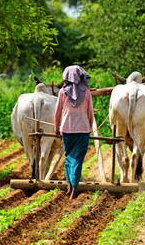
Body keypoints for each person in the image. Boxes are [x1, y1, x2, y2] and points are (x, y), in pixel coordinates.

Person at [54, 65, 94, 200]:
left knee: (69, 157)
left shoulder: (62, 92)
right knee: (77, 159)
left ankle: (69, 185)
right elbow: (90, 113)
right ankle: (74, 188)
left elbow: (57, 112)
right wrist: (89, 127)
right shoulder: (87, 92)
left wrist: (56, 128)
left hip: (66, 129)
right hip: (83, 130)